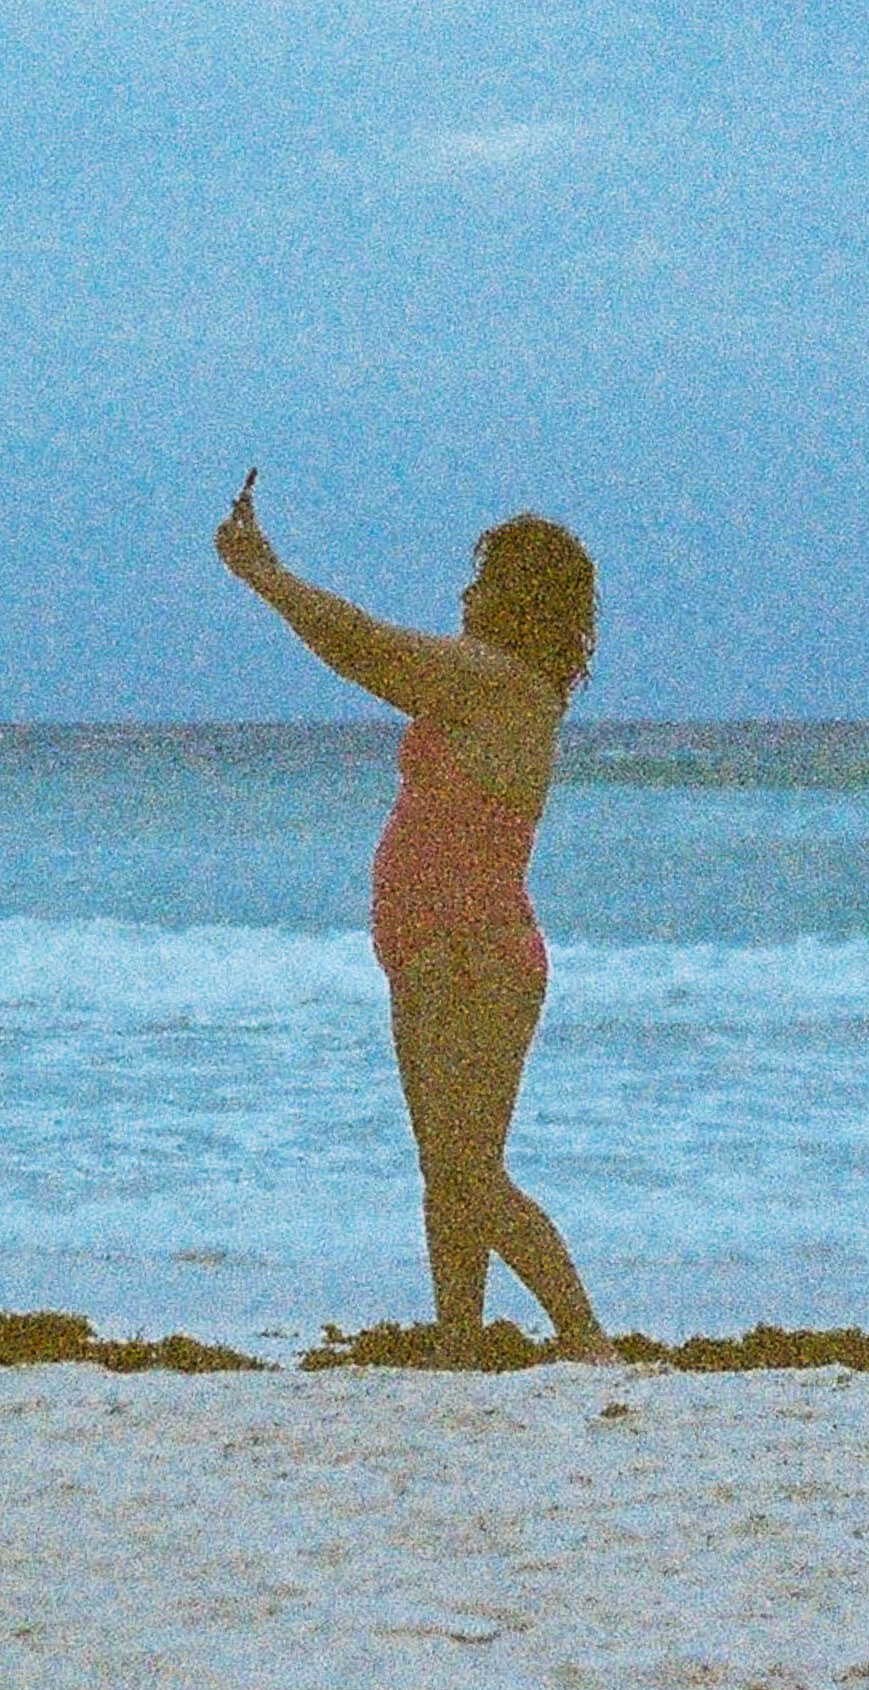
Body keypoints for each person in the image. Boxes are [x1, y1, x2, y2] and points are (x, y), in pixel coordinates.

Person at [215, 473, 612, 1364]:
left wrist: (265, 574)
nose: (467, 593)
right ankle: (458, 1343)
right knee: (447, 1170)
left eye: (484, 580)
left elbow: (360, 645)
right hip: (434, 948)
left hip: (474, 951)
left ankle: (587, 1338)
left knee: (468, 1172)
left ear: (515, 597)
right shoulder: (487, 684)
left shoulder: (502, 684)